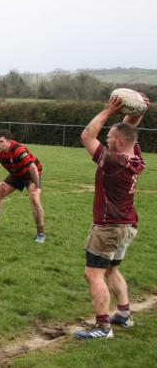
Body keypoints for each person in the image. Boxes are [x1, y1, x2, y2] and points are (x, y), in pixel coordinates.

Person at [74, 94, 150, 339]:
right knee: (111, 270)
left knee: (93, 273)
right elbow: (128, 129)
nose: (105, 141)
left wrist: (108, 110)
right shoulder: (134, 156)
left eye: (109, 138)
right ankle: (125, 315)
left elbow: (87, 136)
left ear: (118, 142)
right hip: (128, 225)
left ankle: (103, 327)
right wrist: (139, 109)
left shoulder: (113, 162)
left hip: (109, 227)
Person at [0, 129, 45, 243]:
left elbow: (32, 167)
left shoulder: (18, 149)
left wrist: (37, 187)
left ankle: (41, 234)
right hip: (16, 175)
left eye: (1, 141)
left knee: (34, 199)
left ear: (9, 141)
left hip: (32, 174)